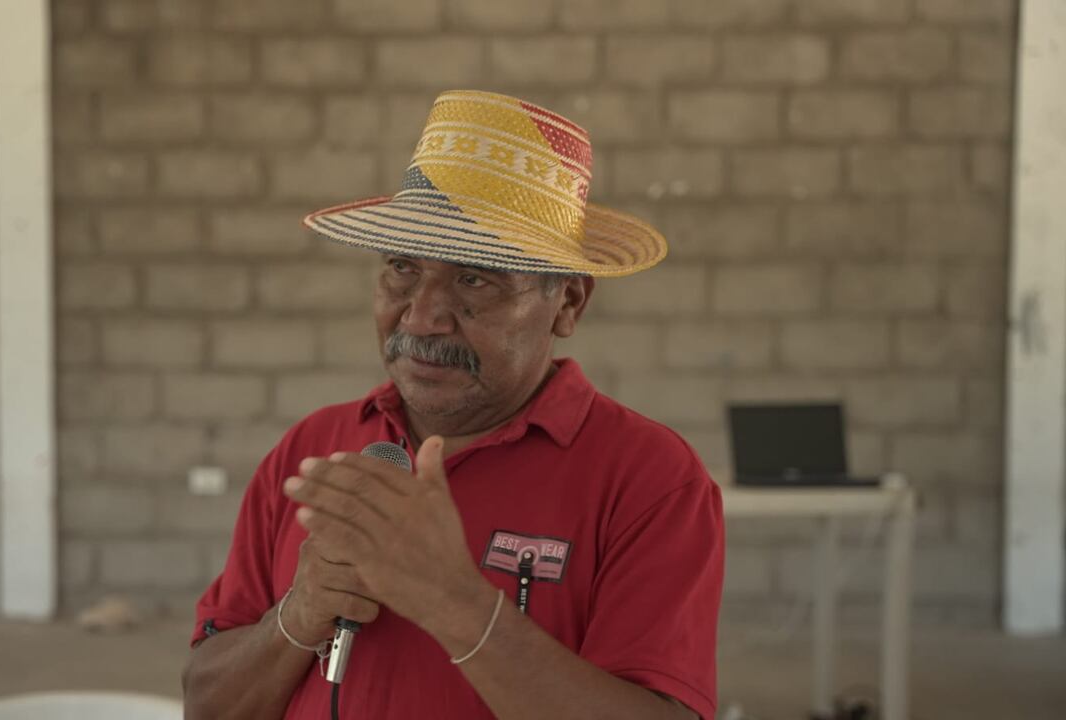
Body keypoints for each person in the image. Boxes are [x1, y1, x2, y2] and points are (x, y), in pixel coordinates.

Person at [182, 90, 724, 720]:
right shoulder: (312, 451)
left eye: (474, 278)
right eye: (402, 269)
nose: (422, 317)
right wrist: (298, 615)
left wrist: (454, 602)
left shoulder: (650, 478)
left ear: (568, 303)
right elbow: (207, 706)